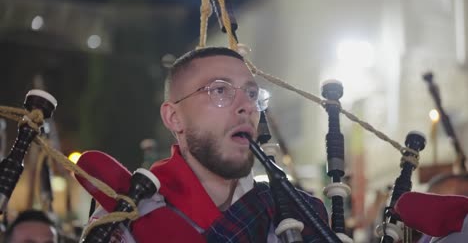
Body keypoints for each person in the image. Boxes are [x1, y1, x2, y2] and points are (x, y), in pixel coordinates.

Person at [80, 47, 329, 242]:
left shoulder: (300, 213)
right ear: (174, 118)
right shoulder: (125, 216)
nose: (247, 106)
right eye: (220, 90)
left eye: (252, 94)